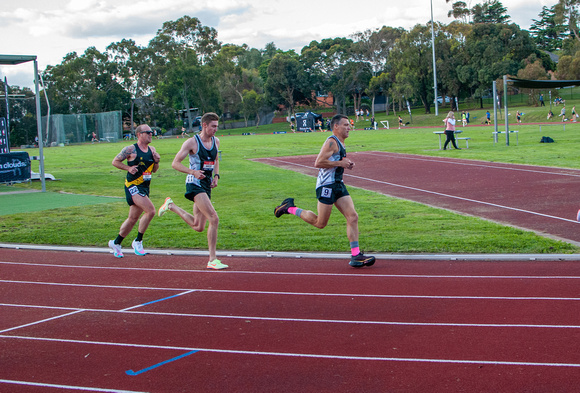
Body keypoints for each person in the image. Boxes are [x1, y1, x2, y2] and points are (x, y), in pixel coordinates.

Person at [274, 114, 375, 268]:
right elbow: (318, 162)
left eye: (349, 125)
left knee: (353, 217)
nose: (349, 128)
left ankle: (356, 255)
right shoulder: (331, 142)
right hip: (326, 186)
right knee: (320, 223)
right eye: (346, 125)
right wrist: (341, 163)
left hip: (338, 184)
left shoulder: (341, 143)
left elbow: (335, 163)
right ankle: (289, 208)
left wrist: (345, 164)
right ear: (336, 126)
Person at [157, 112, 228, 270]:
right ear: (204, 125)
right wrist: (193, 172)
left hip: (206, 184)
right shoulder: (191, 143)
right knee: (214, 218)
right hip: (194, 183)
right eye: (213, 126)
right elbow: (175, 163)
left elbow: (215, 159)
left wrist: (216, 176)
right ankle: (212, 259)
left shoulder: (216, 141)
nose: (216, 129)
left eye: (217, 126)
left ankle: (171, 206)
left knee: (198, 226)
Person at [108, 124, 160, 258]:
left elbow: (154, 170)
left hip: (145, 186)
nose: (151, 134)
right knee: (151, 211)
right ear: (139, 134)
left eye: (151, 132)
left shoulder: (152, 149)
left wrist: (157, 162)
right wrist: (128, 168)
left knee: (132, 218)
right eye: (148, 132)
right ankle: (138, 241)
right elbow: (115, 161)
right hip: (132, 186)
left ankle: (116, 242)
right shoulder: (131, 149)